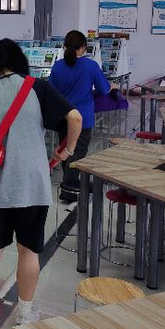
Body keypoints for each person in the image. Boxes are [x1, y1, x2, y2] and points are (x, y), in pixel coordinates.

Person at [0, 39, 82, 329]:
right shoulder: (37, 88)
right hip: (32, 187)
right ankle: (26, 315)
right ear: (20, 62)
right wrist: (68, 150)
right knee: (28, 251)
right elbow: (75, 117)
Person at [48, 30, 113, 203]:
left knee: (66, 150)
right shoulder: (90, 66)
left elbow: (51, 92)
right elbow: (104, 89)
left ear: (64, 46)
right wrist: (110, 87)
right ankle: (69, 187)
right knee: (78, 152)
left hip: (63, 117)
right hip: (83, 119)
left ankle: (69, 183)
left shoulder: (58, 66)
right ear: (83, 47)